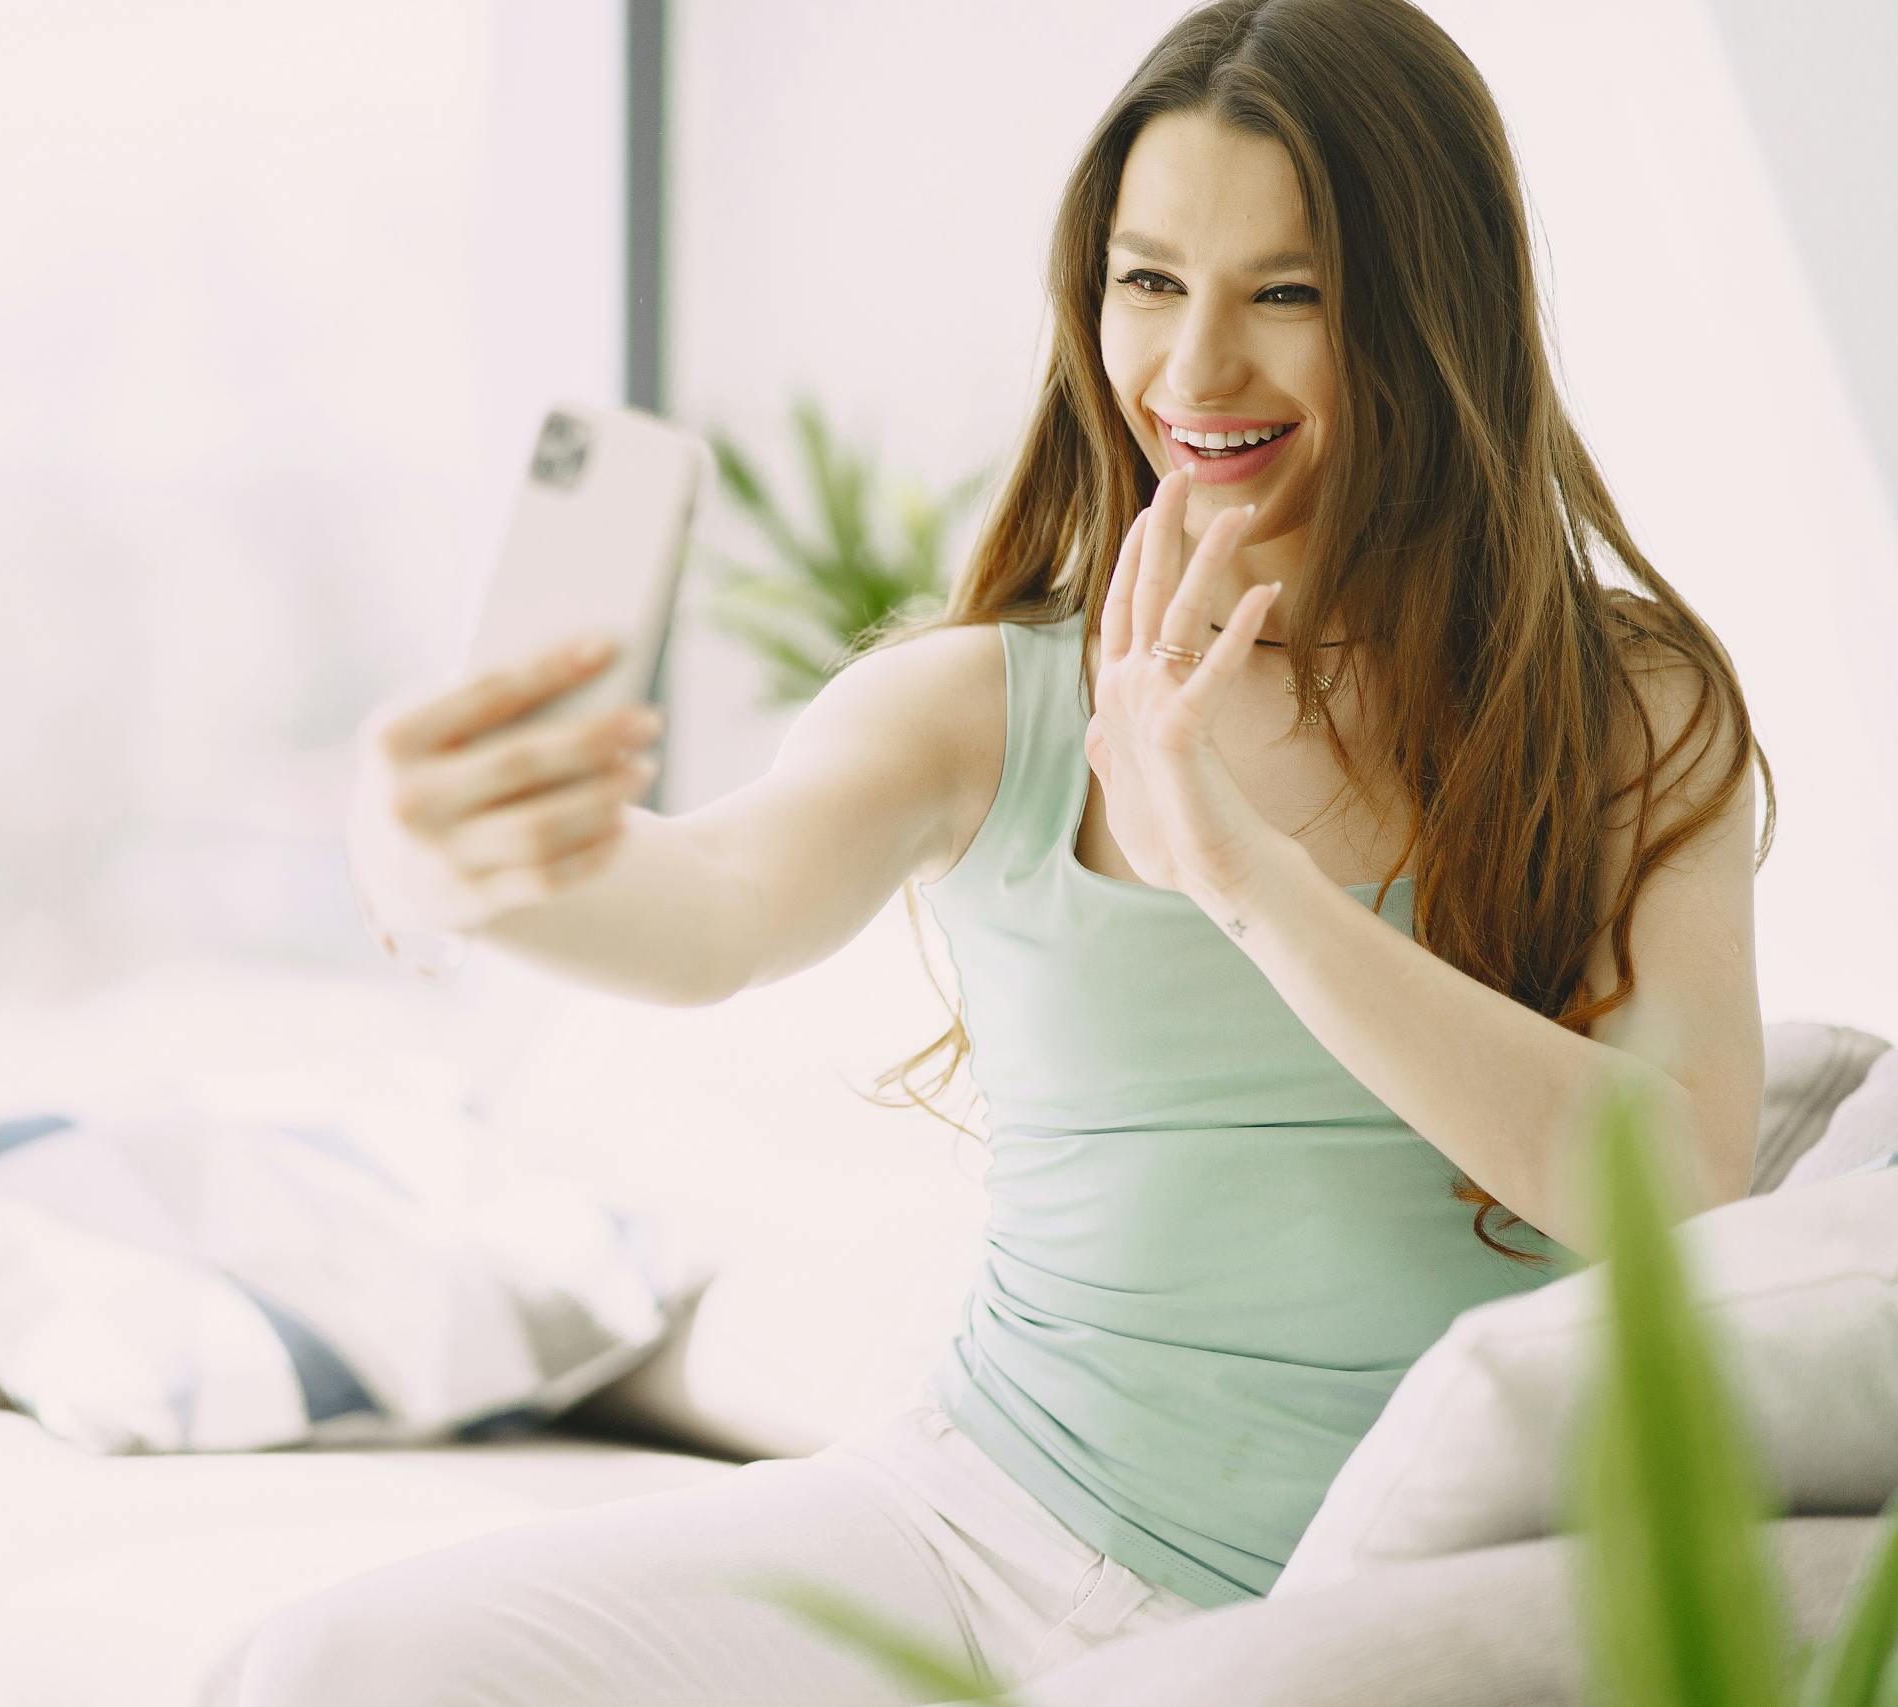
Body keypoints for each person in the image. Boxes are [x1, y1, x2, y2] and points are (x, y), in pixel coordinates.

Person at [250, 0, 1774, 1699]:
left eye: (1290, 291)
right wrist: (458, 857)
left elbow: (1679, 1181)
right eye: (1148, 282)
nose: (1195, 374)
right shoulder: (987, 701)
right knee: (334, 1658)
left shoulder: (1625, 708)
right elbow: (711, 910)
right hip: (980, 1517)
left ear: (1435, 314)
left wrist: (1244, 878)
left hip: (1359, 1609)